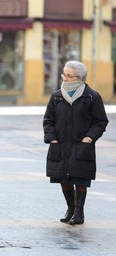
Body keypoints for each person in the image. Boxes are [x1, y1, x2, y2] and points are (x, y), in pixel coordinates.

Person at [43, 60, 108, 225]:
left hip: (82, 144)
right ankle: (70, 208)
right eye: (64, 74)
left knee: (80, 179)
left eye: (68, 75)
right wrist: (52, 138)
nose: (64, 78)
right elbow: (48, 119)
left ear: (79, 78)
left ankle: (79, 212)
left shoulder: (92, 96)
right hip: (61, 144)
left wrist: (89, 138)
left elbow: (100, 121)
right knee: (63, 179)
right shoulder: (56, 96)